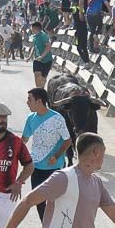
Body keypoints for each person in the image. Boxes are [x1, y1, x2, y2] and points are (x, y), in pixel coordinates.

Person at [22, 87, 73, 220]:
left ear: (39, 101)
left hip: (54, 167)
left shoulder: (57, 119)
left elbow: (68, 141)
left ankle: (55, 227)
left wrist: (56, 156)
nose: (27, 102)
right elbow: (24, 140)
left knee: (53, 200)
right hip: (36, 166)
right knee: (38, 201)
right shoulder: (30, 118)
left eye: (30, 99)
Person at [29, 20, 52, 88]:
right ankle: (38, 91)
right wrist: (30, 57)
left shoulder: (43, 35)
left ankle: (41, 90)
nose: (31, 30)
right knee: (37, 76)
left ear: (35, 28)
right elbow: (34, 47)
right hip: (37, 60)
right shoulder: (34, 36)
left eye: (32, 28)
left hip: (47, 60)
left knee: (43, 79)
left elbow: (48, 47)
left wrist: (42, 56)